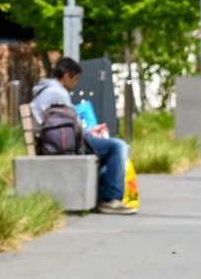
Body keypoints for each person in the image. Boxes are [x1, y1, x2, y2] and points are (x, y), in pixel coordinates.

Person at [30, 58, 135, 215]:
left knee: (111, 147)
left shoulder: (44, 90)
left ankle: (106, 196)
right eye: (75, 79)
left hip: (59, 140)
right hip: (69, 143)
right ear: (66, 76)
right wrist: (90, 132)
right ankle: (111, 199)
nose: (76, 84)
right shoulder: (58, 93)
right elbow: (73, 124)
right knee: (118, 146)